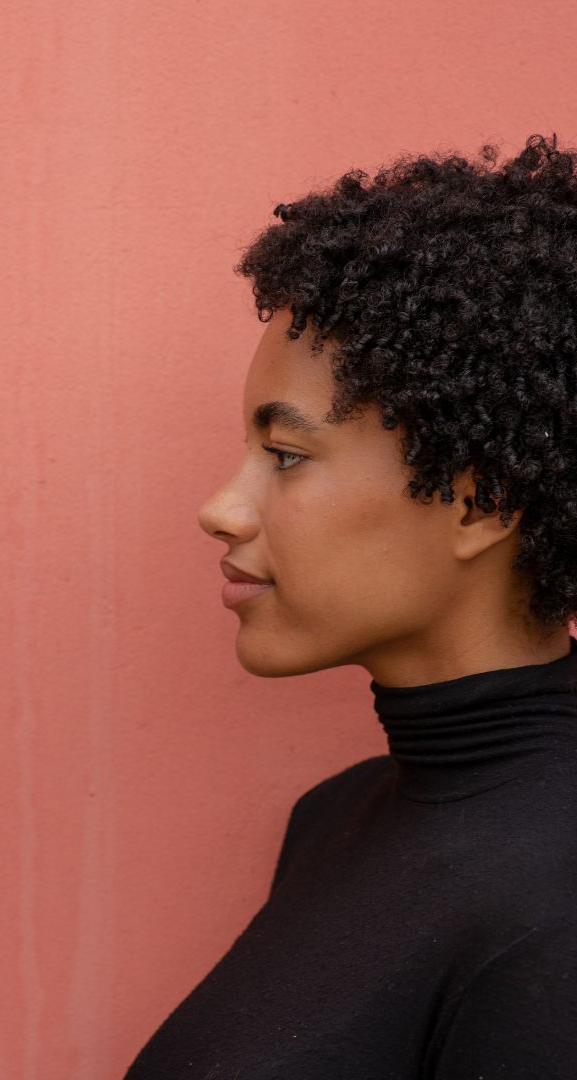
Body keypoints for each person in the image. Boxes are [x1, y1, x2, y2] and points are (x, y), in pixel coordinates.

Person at [124, 134, 577, 1078]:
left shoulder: (557, 904)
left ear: (478, 499)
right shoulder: (333, 820)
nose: (222, 507)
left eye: (285, 457)